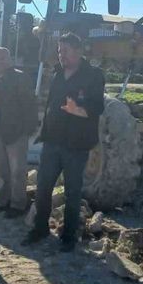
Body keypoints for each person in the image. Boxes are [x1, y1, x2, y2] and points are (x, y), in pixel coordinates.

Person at [22, 32, 104, 252]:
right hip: (52, 142)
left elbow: (98, 107)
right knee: (43, 187)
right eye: (59, 51)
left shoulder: (94, 75)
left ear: (79, 51)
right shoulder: (57, 74)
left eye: (65, 51)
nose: (61, 55)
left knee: (72, 193)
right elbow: (51, 104)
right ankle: (40, 228)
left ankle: (68, 237)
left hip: (76, 146)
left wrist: (78, 110)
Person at [0, 47, 38, 218]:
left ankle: (18, 204)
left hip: (17, 132)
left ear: (10, 60)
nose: (0, 61)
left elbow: (30, 104)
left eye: (3, 58)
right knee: (2, 169)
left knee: (17, 171)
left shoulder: (20, 78)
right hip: (0, 132)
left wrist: (28, 129)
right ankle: (2, 200)